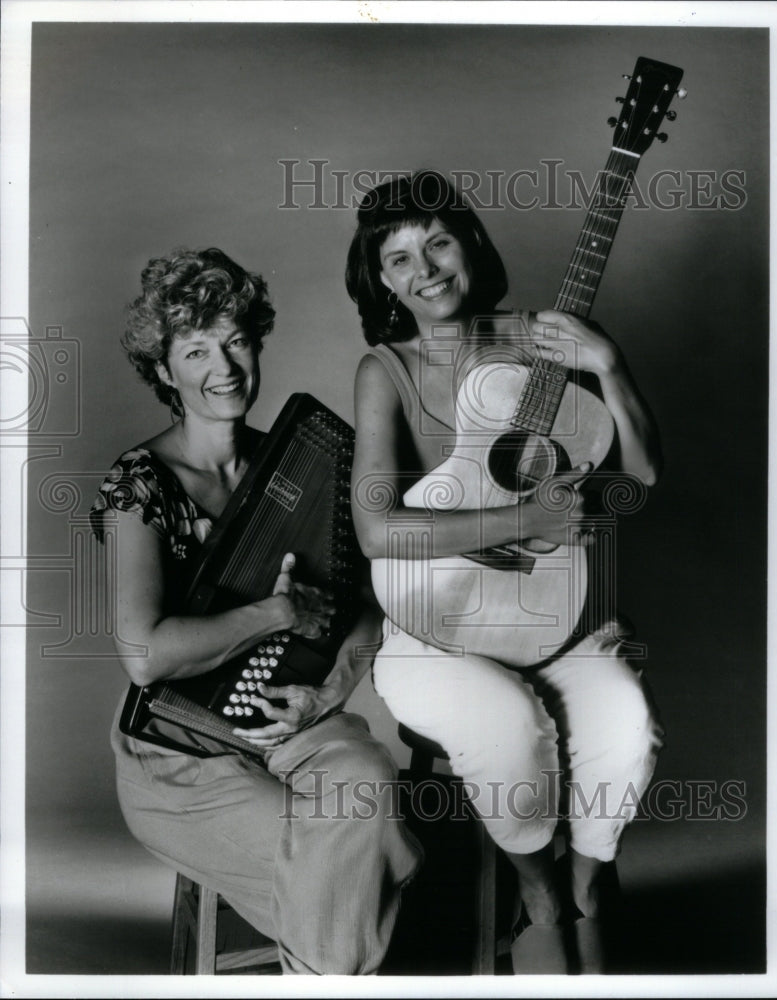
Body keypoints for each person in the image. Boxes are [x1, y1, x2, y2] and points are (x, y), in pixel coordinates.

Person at [345, 171, 665, 974]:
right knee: (506, 730)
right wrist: (523, 519)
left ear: (471, 244)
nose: (425, 269)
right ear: (379, 279)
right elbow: (376, 529)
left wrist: (611, 364)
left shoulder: (541, 338)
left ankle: (588, 881)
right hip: (432, 623)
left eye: (439, 241)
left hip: (544, 608)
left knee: (625, 721)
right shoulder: (386, 369)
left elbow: (642, 478)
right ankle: (539, 891)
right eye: (399, 258)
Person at [90, 246, 422, 975]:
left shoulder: (298, 466)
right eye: (197, 349)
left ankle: (333, 959)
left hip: (282, 723)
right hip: (175, 752)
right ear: (161, 370)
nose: (225, 367)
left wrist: (328, 694)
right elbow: (145, 654)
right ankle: (342, 971)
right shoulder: (138, 486)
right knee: (348, 850)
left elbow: (371, 604)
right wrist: (276, 616)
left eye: (236, 339)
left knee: (369, 785)